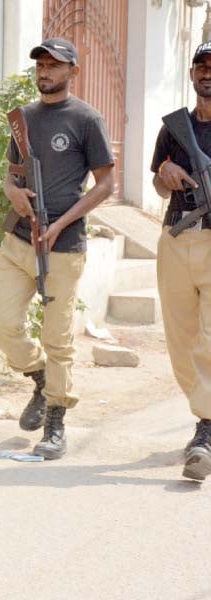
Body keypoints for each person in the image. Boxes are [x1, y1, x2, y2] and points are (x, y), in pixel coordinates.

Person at [0, 38, 115, 460]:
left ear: (72, 72)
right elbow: (11, 176)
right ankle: (39, 377)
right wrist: (13, 194)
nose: (45, 71)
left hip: (63, 245)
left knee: (57, 337)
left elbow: (106, 185)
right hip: (19, 239)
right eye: (41, 64)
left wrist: (62, 222)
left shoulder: (86, 119)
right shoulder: (22, 119)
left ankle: (56, 419)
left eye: (54, 65)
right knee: (1, 323)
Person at [151, 41, 211, 481]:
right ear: (191, 74)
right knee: (181, 339)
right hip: (175, 237)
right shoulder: (174, 128)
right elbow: (157, 184)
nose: (207, 73)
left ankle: (206, 430)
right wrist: (163, 175)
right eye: (201, 66)